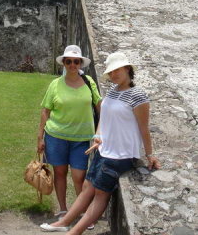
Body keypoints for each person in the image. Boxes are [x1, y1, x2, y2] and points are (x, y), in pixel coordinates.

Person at [40, 51, 161, 234]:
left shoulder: (138, 96)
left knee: (100, 194)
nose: (113, 75)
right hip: (104, 149)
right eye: (110, 72)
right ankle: (64, 222)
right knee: (87, 187)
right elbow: (103, 118)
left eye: (116, 71)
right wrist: (98, 136)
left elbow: (144, 128)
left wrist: (150, 155)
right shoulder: (113, 91)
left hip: (121, 154)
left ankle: (74, 232)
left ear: (127, 69)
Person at [37, 45, 101, 219]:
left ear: (80, 63)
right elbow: (45, 110)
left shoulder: (89, 82)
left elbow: (99, 107)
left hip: (81, 139)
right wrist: (40, 137)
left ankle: (82, 213)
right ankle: (64, 209)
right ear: (64, 63)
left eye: (76, 61)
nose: (73, 65)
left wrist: (101, 131)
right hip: (56, 137)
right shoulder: (55, 84)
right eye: (69, 61)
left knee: (79, 177)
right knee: (60, 173)